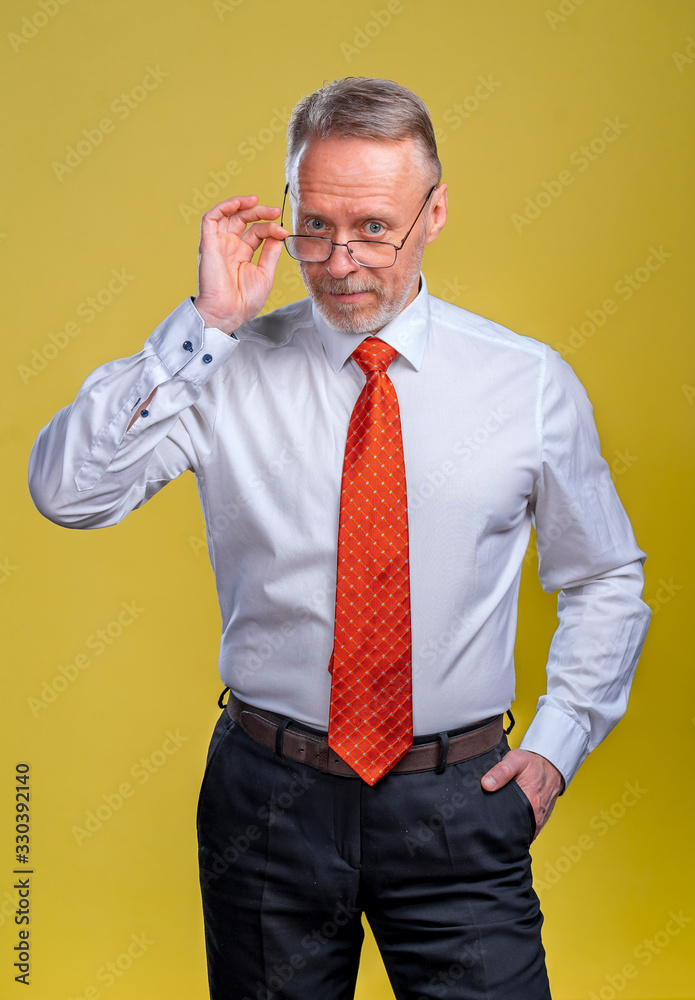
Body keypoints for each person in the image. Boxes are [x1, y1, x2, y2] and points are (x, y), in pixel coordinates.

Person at [28, 77, 651, 1000]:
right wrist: (202, 327)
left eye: (372, 228)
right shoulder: (223, 370)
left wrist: (555, 749)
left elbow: (603, 576)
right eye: (313, 226)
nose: (340, 260)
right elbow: (68, 493)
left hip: (461, 806)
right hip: (266, 803)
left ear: (434, 213)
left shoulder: (527, 383)